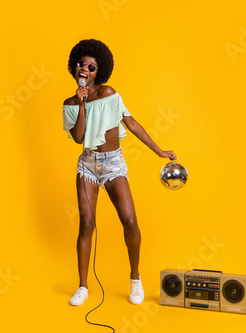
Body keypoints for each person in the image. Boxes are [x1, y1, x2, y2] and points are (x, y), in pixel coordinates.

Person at [62, 39, 177, 306]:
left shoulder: (109, 93)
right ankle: (83, 287)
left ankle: (135, 278)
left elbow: (131, 123)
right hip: (87, 164)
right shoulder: (69, 103)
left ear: (98, 72)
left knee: (130, 220)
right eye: (82, 64)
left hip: (113, 163)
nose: (85, 69)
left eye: (92, 67)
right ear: (75, 66)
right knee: (86, 224)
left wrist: (158, 151)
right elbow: (79, 138)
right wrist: (80, 103)